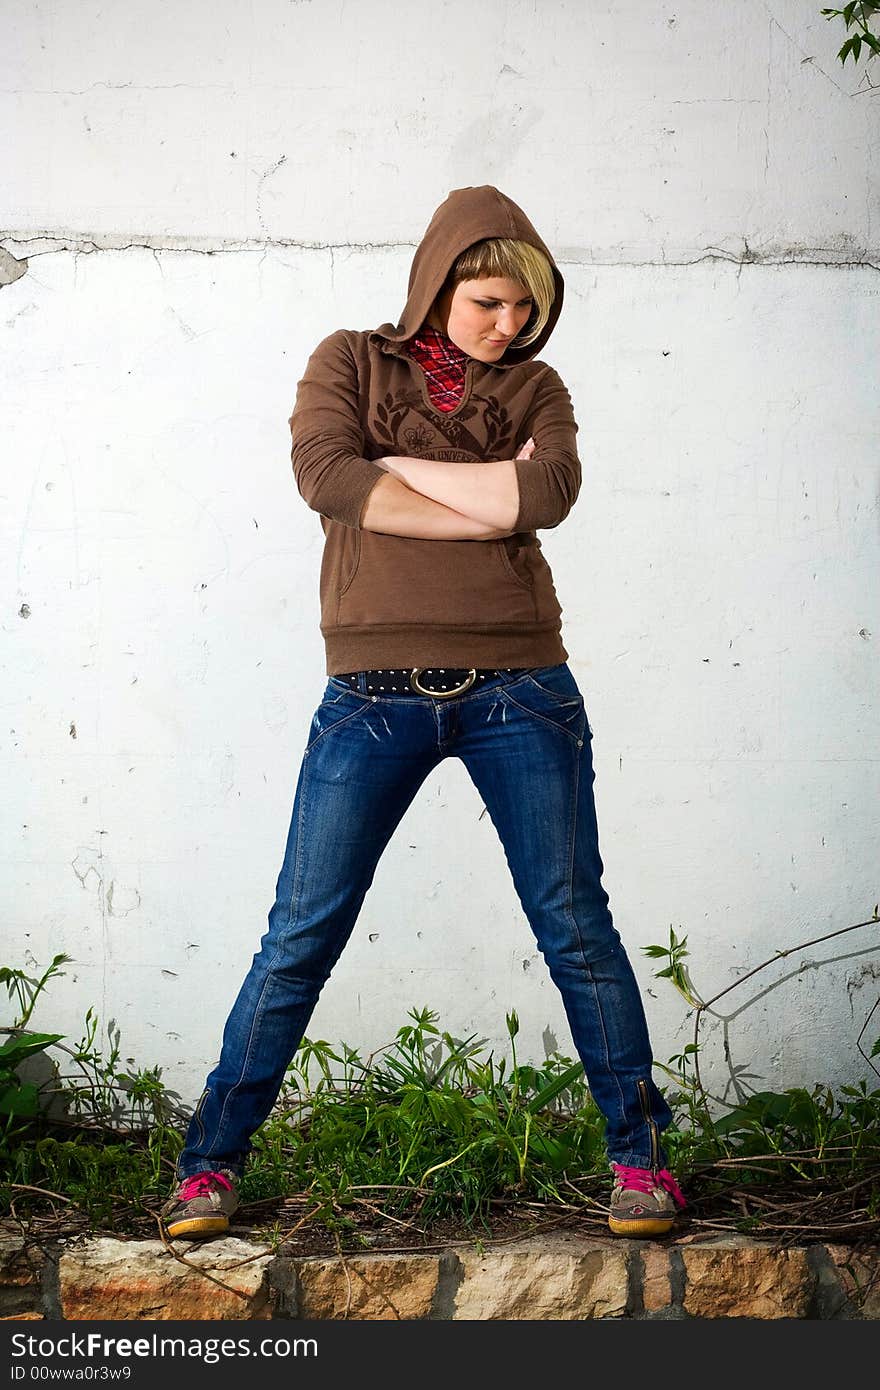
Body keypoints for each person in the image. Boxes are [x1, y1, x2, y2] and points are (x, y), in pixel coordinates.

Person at [160, 185, 686, 1243]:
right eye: (491, 302)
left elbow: (545, 499)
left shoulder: (537, 385)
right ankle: (208, 1167)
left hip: (521, 688)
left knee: (574, 924)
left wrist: (394, 473)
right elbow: (324, 473)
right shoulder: (349, 362)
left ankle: (641, 1164)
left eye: (526, 310)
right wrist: (475, 494)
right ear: (439, 281)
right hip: (371, 691)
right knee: (301, 932)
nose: (511, 327)